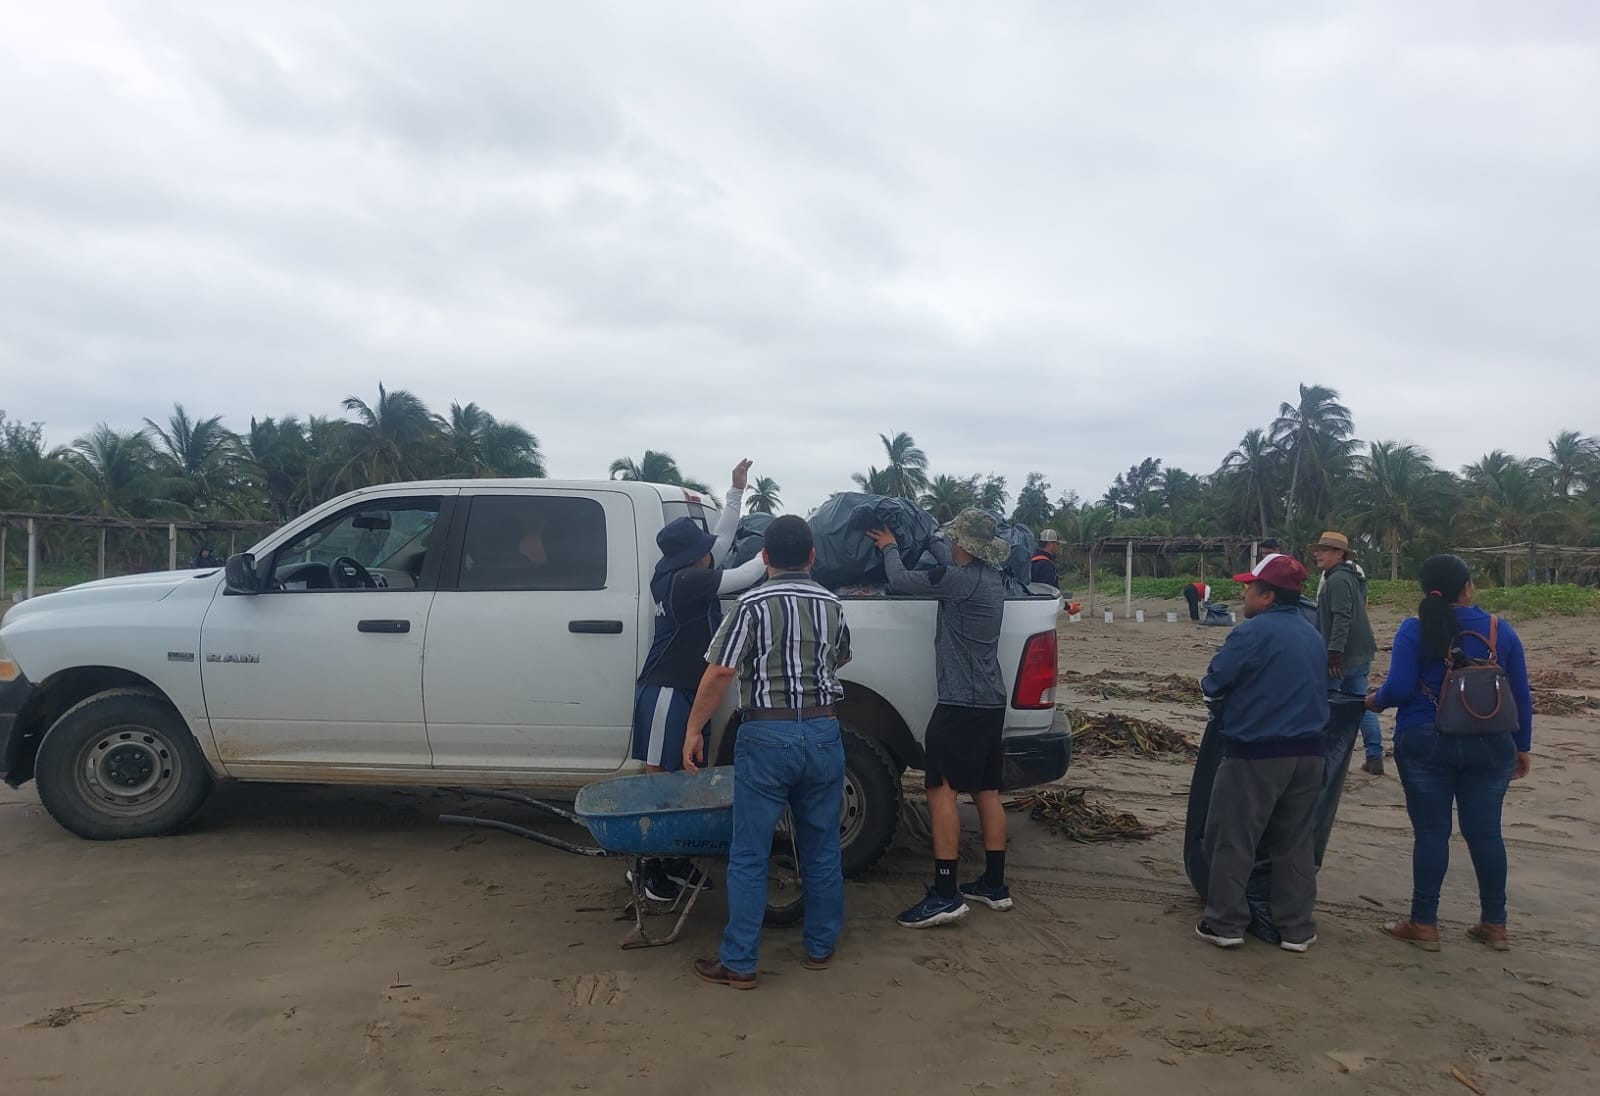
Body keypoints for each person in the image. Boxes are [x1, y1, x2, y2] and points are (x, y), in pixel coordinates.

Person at [681, 515, 851, 990]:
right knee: (820, 847)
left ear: (766, 559)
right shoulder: (832, 604)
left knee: (750, 853)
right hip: (823, 733)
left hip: (766, 736)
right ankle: (819, 947)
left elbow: (719, 673)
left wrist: (694, 729)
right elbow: (839, 658)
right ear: (812, 556)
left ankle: (739, 963)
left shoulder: (751, 604)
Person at [1368, 554, 1533, 953]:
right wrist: (1522, 747)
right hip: (1492, 743)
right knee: (1486, 833)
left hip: (1426, 739)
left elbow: (1400, 689)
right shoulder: (1499, 629)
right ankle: (1495, 924)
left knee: (1431, 833)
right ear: (1469, 587)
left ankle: (1424, 924)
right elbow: (1521, 696)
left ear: (1425, 589)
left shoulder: (1415, 628)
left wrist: (1371, 702)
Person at [628, 460, 769, 902]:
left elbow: (723, 542)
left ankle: (676, 860)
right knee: (660, 780)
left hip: (687, 691)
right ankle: (647, 869)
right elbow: (743, 573)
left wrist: (735, 492)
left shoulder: (685, 571)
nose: (714, 550)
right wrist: (775, 554)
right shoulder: (685, 580)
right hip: (666, 690)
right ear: (694, 557)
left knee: (686, 780)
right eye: (706, 548)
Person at [867, 509, 1013, 928]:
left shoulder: (957, 582)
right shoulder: (989, 579)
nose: (949, 544)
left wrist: (889, 546)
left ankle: (946, 893)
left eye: (953, 539)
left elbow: (902, 581)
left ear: (964, 545)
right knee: (986, 789)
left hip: (960, 704)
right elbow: (946, 561)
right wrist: (933, 538)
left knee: (941, 789)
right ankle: (995, 885)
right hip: (990, 700)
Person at [1196, 553, 1329, 953]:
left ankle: (1225, 923)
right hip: (1310, 754)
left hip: (1257, 753)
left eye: (1249, 588)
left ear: (1268, 596)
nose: (1243, 595)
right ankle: (1297, 929)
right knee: (1294, 843)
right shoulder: (1312, 633)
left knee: (1233, 837)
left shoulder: (1250, 634)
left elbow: (1215, 682)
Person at [1309, 531, 1386, 775]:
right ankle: (1374, 756)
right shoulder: (1349, 576)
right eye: (1318, 549)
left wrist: (1334, 652)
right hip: (1358, 653)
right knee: (1358, 704)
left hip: (1343, 656)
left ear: (1339, 554)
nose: (1317, 553)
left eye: (1323, 549)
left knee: (1326, 704)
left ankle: (1324, 757)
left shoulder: (1338, 579)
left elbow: (1342, 617)